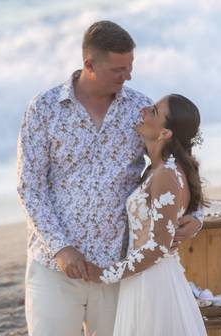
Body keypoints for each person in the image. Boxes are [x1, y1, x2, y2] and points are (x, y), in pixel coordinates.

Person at [17, 21, 203, 336]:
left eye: (130, 66)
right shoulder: (44, 109)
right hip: (54, 266)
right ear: (90, 64)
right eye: (119, 69)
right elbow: (29, 189)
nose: (128, 76)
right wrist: (62, 249)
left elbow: (177, 166)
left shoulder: (138, 110)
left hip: (118, 267)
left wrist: (197, 215)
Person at [84, 93, 208, 336]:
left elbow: (158, 247)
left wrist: (106, 274)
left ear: (165, 133)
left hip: (151, 283)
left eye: (153, 111)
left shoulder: (165, 175)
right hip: (147, 277)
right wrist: (197, 218)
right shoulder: (162, 169)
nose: (143, 111)